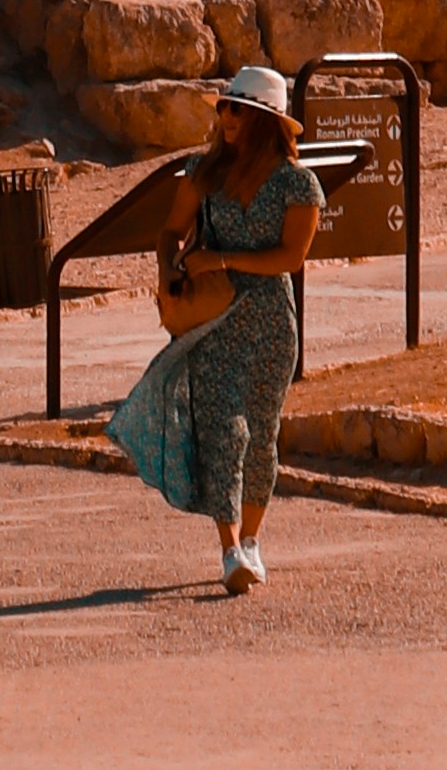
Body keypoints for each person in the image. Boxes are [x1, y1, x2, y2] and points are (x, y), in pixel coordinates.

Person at [105, 67, 320, 594]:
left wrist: (221, 258)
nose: (226, 118)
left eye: (237, 109)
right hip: (214, 322)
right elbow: (169, 231)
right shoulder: (203, 172)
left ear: (266, 121)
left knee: (262, 439)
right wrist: (167, 272)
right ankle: (229, 551)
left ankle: (251, 541)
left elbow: (291, 256)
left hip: (270, 321)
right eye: (224, 107)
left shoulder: (298, 183)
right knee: (225, 431)